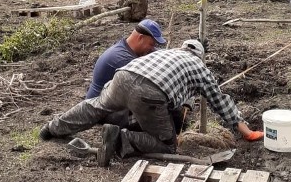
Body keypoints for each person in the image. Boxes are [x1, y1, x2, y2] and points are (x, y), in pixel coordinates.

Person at [92, 39, 264, 166]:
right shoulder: (198, 67)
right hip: (146, 101)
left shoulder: (160, 55)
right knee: (168, 146)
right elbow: (220, 101)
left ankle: (119, 128)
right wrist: (246, 132)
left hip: (116, 96)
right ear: (200, 58)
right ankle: (121, 137)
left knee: (151, 108)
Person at [38, 19, 166, 140]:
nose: (152, 48)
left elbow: (155, 53)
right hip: (103, 110)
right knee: (153, 114)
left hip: (112, 100)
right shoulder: (122, 59)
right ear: (140, 38)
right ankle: (120, 139)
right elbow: (151, 82)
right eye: (151, 44)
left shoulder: (127, 47)